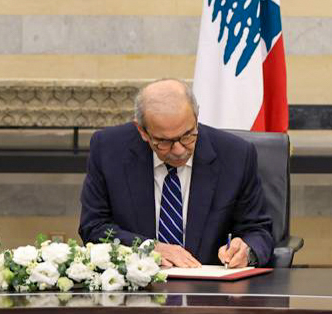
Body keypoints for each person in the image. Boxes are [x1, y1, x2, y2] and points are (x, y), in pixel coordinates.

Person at [79, 79, 274, 268]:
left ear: (196, 118)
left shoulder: (235, 155)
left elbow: (258, 231)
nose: (179, 150)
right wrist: (149, 248)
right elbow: (94, 227)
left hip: (210, 285)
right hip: (137, 283)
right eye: (164, 141)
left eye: (187, 135)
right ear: (142, 131)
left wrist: (247, 250)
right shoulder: (109, 149)